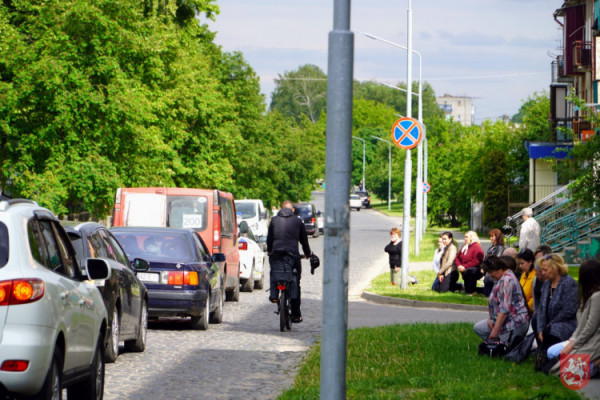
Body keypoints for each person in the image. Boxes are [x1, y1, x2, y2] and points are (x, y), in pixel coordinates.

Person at [547, 259, 600, 377]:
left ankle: (596, 364)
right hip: (581, 338)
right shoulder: (586, 295)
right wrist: (572, 341)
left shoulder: (597, 297)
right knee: (552, 353)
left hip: (594, 341)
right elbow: (581, 325)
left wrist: (572, 346)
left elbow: (590, 328)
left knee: (564, 372)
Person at [267, 200, 311, 323]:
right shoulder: (298, 221)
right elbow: (304, 241)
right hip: (293, 256)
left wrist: (270, 251)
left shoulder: (274, 221)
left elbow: (269, 239)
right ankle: (296, 314)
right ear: (292, 210)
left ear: (280, 209)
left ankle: (274, 296)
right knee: (295, 281)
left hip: (276, 255)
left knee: (274, 273)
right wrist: (307, 253)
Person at [473, 255, 530, 347]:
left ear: (499, 269)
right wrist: (490, 320)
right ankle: (495, 344)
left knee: (503, 348)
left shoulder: (506, 281)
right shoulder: (501, 278)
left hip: (512, 321)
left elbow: (504, 310)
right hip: (499, 321)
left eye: (491, 272)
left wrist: (495, 331)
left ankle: (499, 345)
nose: (490, 275)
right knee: (479, 328)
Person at [535, 254, 579, 369]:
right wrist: (540, 329)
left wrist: (548, 326)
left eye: (545, 269)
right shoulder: (546, 284)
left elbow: (569, 310)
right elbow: (541, 310)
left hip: (565, 323)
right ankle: (543, 355)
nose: (542, 272)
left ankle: (550, 360)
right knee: (535, 320)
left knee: (551, 331)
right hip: (548, 325)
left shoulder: (569, 283)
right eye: (541, 270)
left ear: (556, 268)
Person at [455, 231, 484, 295]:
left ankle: (472, 291)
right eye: (465, 237)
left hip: (475, 269)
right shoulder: (465, 247)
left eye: (466, 237)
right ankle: (468, 290)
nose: (465, 239)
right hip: (464, 268)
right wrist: (459, 265)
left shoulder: (477, 247)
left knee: (470, 271)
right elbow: (457, 257)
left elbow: (477, 261)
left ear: (472, 237)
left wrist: (464, 266)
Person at [482, 229, 505, 296]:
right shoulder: (491, 248)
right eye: (490, 236)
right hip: (488, 270)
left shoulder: (500, 248)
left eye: (493, 236)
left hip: (493, 270)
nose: (491, 238)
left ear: (497, 237)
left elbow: (496, 259)